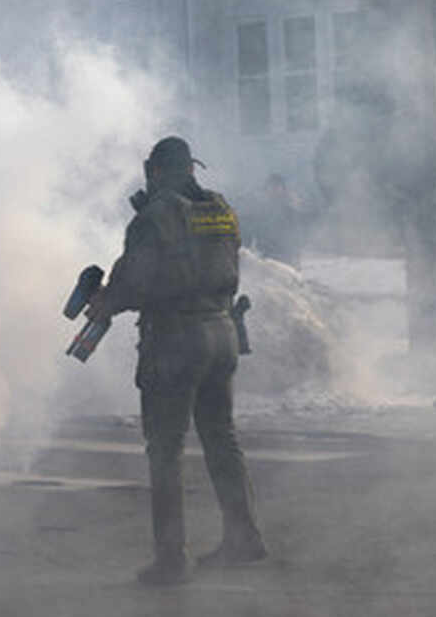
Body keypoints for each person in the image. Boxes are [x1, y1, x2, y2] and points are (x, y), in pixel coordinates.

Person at [87, 136, 267, 586]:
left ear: (154, 170)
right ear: (191, 169)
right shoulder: (221, 209)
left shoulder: (155, 217)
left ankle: (171, 559)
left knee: (165, 450)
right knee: (221, 438)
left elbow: (135, 282)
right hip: (222, 332)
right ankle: (243, 537)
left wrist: (103, 301)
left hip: (176, 340)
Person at [245, 173, 310, 268]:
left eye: (276, 187)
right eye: (271, 187)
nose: (273, 190)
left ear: (283, 189)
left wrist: (295, 257)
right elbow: (253, 230)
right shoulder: (261, 210)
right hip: (266, 256)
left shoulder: (291, 210)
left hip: (286, 257)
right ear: (266, 190)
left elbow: (298, 235)